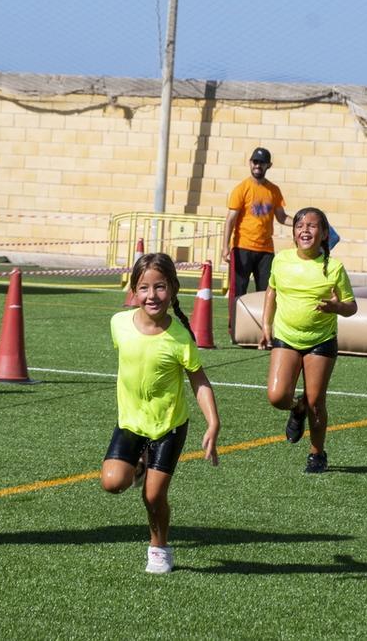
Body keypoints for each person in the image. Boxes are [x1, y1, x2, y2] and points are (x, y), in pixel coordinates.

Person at [101, 252, 221, 574]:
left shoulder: (181, 339)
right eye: (144, 288)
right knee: (112, 483)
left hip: (168, 426)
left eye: (160, 287)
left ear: (173, 289)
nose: (152, 296)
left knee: (154, 497)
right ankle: (138, 464)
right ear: (134, 291)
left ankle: (159, 546)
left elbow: (199, 380)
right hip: (130, 423)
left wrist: (213, 423)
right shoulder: (119, 324)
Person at [260, 207, 357, 473]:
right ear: (293, 233)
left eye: (312, 226)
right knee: (277, 397)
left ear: (324, 233)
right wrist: (266, 324)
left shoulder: (334, 268)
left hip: (321, 341)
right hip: (286, 336)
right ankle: (296, 407)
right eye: (300, 225)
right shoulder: (281, 260)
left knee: (317, 402)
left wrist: (337, 307)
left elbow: (352, 307)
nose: (305, 230)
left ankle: (317, 454)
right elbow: (272, 290)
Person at [221, 147, 289, 342]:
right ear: (250, 163)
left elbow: (282, 217)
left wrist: (302, 222)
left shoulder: (274, 190)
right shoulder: (241, 189)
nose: (257, 165)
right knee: (239, 291)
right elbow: (231, 219)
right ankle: (235, 329)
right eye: (254, 162)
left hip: (266, 250)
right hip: (243, 247)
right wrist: (225, 247)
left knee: (266, 292)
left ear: (269, 165)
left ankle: (264, 331)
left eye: (261, 162)